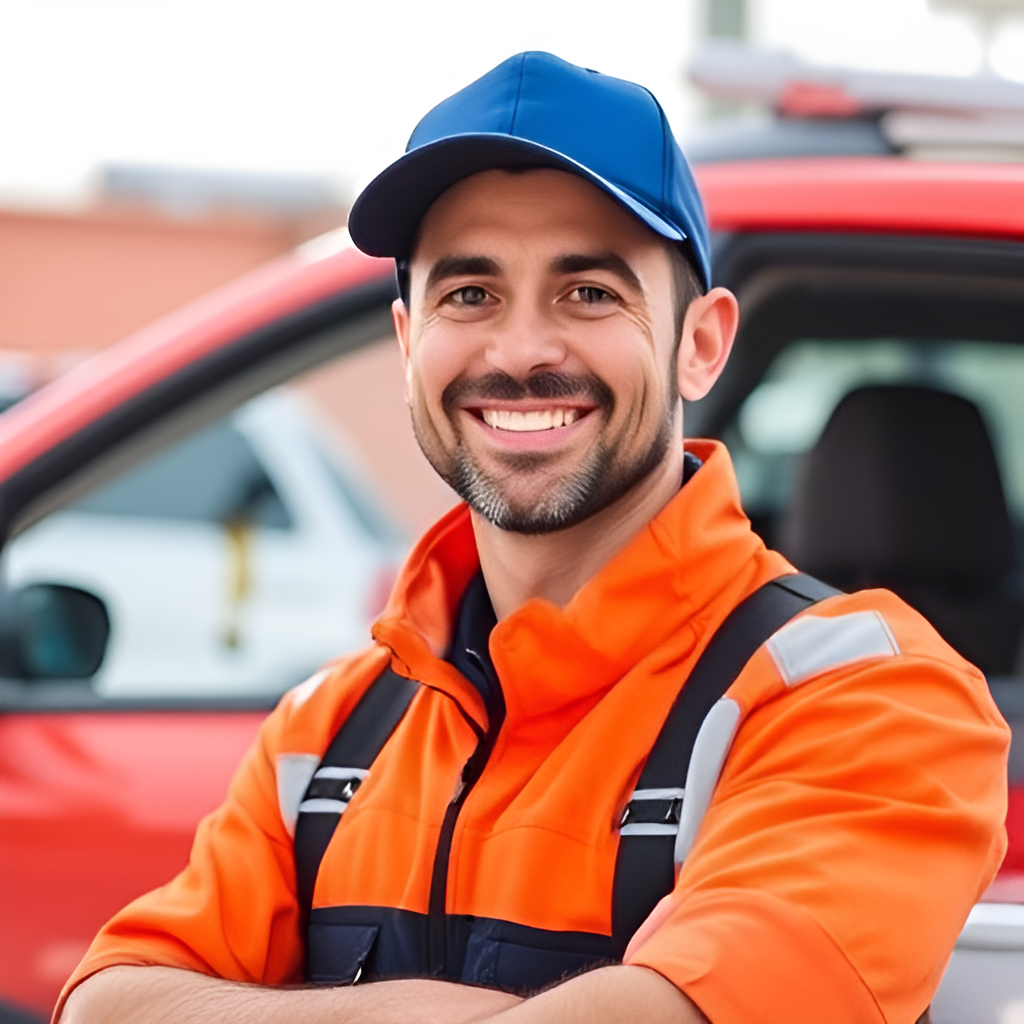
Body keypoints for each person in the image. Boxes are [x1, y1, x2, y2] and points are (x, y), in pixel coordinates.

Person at [58, 52, 1008, 1024]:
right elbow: (104, 1006)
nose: (518, 352)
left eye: (588, 292)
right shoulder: (327, 733)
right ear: (405, 341)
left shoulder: (872, 701)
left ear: (700, 342)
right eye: (469, 294)